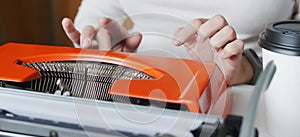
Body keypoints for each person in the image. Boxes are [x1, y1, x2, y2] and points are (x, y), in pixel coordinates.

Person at [62, 0, 299, 86]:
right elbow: (97, 10)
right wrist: (97, 41)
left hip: (255, 95)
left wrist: (246, 70)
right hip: (137, 88)